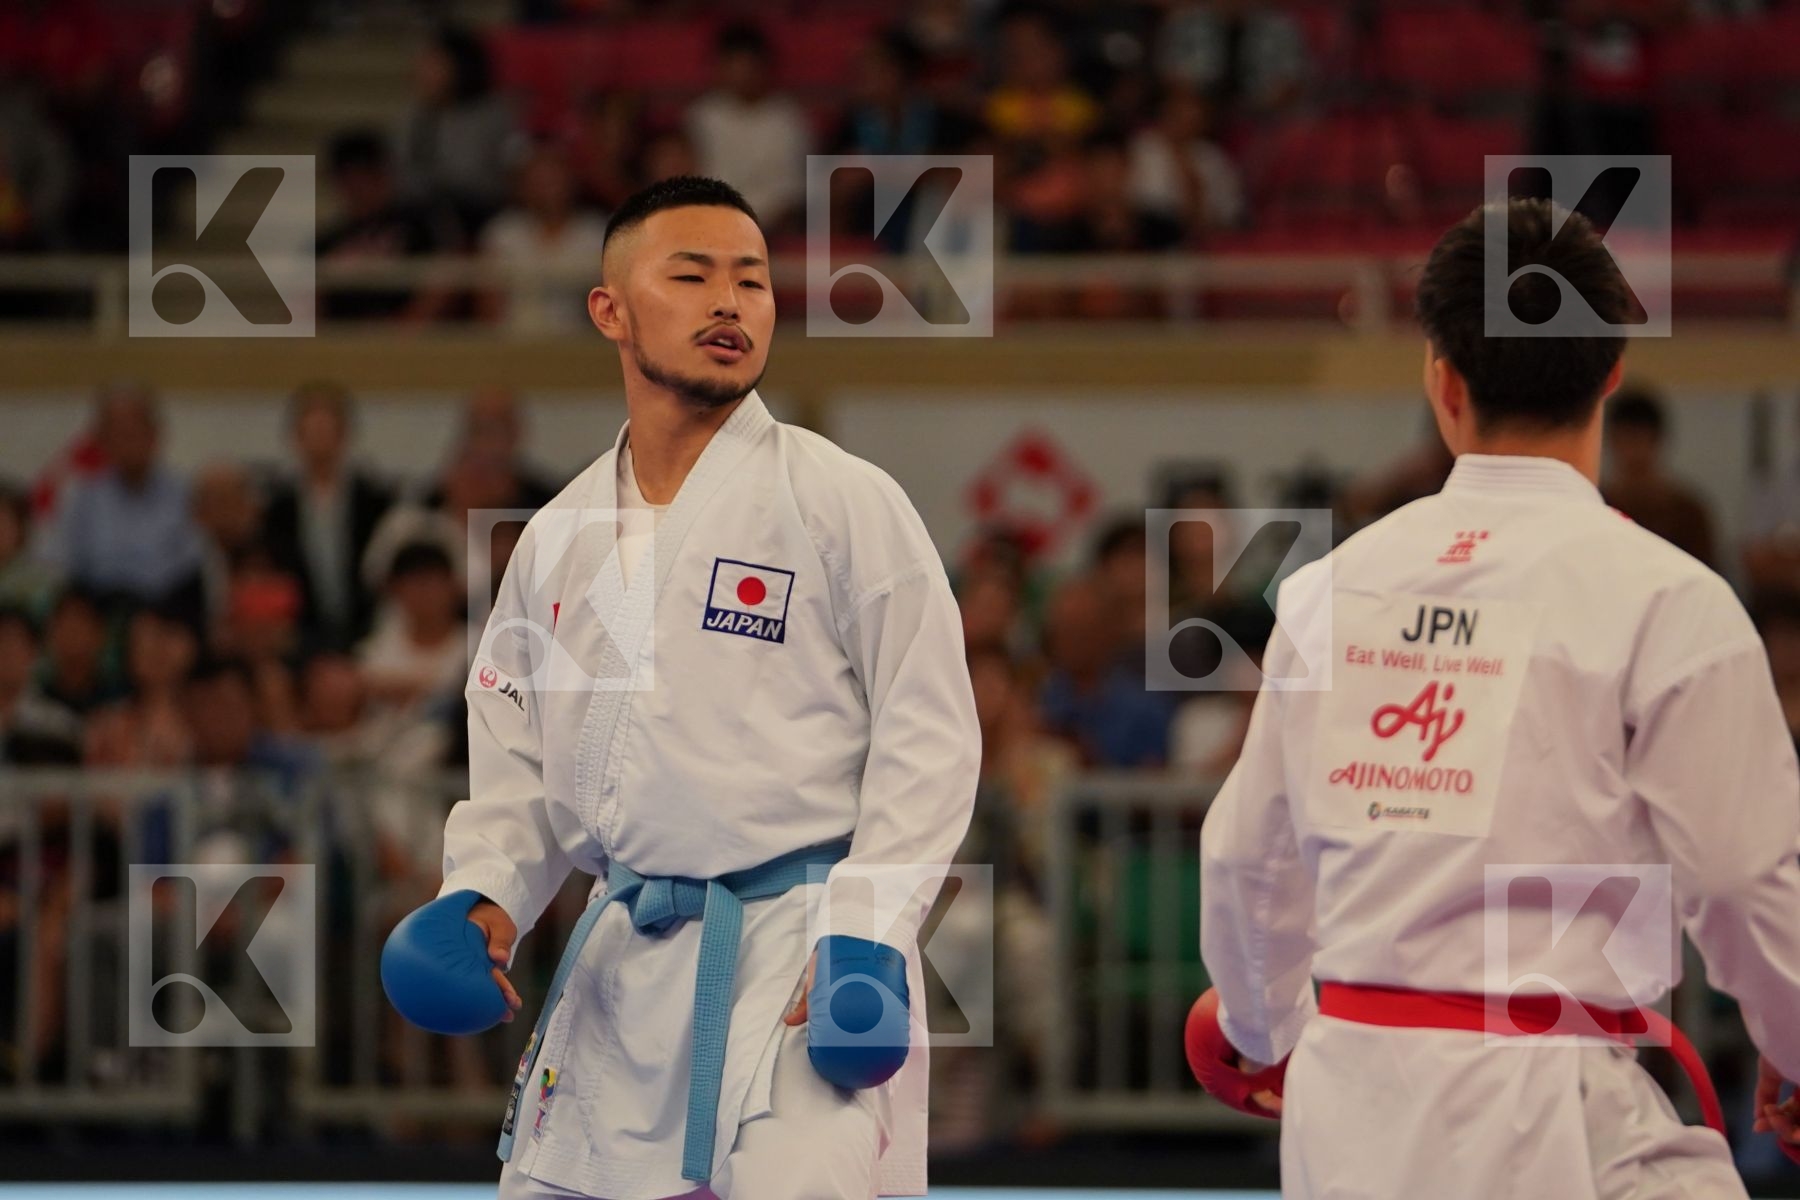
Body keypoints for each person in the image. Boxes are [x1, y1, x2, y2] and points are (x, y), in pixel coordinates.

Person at [381, 176, 980, 1200]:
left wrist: (870, 928)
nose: (730, 304)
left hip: (800, 952)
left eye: (753, 282)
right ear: (611, 310)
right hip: (624, 953)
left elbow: (930, 734)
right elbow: (520, 759)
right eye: (693, 275)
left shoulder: (839, 501)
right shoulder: (560, 540)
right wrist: (487, 891)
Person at [1195, 197, 1800, 1197]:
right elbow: (1741, 882)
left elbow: (1246, 858)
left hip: (1345, 1110)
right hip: (1552, 1110)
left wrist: (1258, 1032)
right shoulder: (1670, 600)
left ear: (1441, 376)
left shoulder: (1324, 591)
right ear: (1611, 374)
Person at [1601, 385, 1716, 567]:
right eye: (1626, 440)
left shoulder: (1687, 514)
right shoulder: (1599, 506)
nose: (1633, 453)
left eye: (1640, 440)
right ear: (1611, 442)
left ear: (1657, 441)